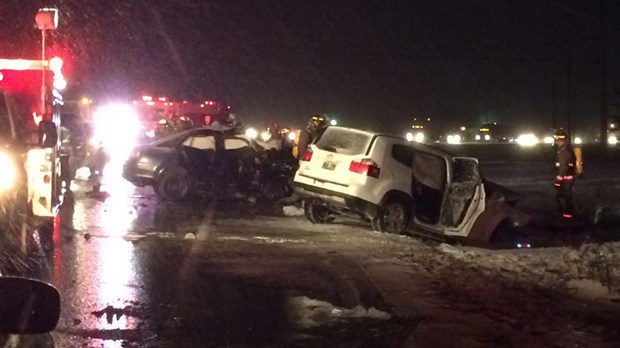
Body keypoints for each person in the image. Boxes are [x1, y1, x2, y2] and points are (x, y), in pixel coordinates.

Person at [553, 130, 576, 219]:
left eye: (556, 139)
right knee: (565, 196)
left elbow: (563, 168)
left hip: (565, 179)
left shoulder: (564, 151)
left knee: (564, 197)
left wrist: (558, 181)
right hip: (567, 178)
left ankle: (566, 216)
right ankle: (566, 214)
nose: (555, 141)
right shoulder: (565, 149)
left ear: (560, 139)